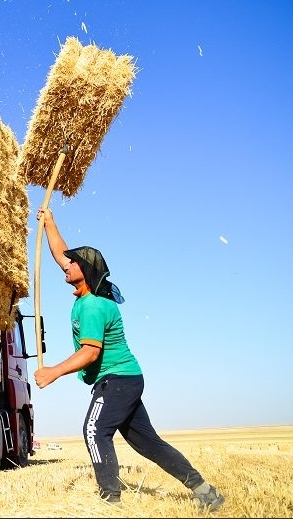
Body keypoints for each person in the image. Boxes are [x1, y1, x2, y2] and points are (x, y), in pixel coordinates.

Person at [33, 207, 224, 511]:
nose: (66, 266)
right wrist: (50, 223)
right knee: (147, 443)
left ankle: (110, 499)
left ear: (86, 272)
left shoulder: (94, 306)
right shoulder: (87, 296)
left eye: (73, 263)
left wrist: (54, 372)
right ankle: (205, 490)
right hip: (126, 379)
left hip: (117, 379)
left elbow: (90, 352)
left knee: (95, 430)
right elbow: (60, 254)